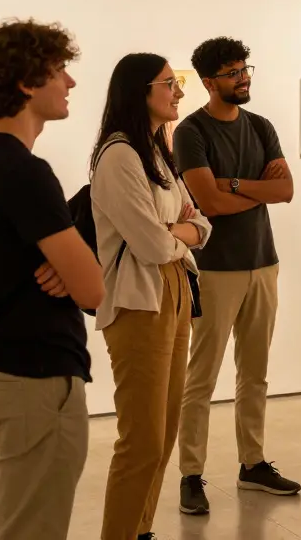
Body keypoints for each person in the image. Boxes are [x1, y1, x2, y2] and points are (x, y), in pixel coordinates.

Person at [0, 19, 106, 540]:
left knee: (5, 524)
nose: (71, 83)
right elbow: (93, 289)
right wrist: (70, 265)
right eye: (60, 71)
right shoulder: (22, 171)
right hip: (33, 378)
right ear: (26, 82)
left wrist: (67, 265)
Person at [174, 37, 301, 513]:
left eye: (245, 69)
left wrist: (233, 186)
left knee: (256, 373)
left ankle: (253, 463)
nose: (243, 77)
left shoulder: (261, 126)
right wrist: (255, 190)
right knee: (201, 376)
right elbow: (209, 203)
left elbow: (286, 189)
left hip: (263, 263)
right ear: (208, 82)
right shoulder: (191, 132)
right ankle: (191, 473)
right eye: (231, 72)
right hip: (214, 269)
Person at [91, 54, 213, 540]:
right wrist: (179, 231)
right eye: (170, 83)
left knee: (162, 436)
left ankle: (141, 530)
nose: (178, 92)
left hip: (176, 289)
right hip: (139, 299)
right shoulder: (120, 154)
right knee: (140, 439)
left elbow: (201, 224)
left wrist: (178, 229)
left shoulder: (156, 152)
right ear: (140, 91)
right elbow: (151, 243)